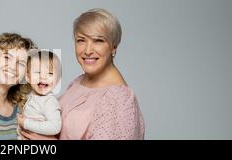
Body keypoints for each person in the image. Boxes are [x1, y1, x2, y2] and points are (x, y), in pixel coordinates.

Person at [21, 8, 145, 140]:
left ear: (114, 46)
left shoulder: (118, 101)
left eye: (98, 40)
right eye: (81, 40)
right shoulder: (79, 82)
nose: (87, 50)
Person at [17, 50, 62, 139]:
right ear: (28, 77)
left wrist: (25, 123)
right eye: (38, 72)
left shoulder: (49, 101)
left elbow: (55, 127)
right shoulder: (31, 97)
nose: (43, 77)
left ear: (57, 79)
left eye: (50, 73)